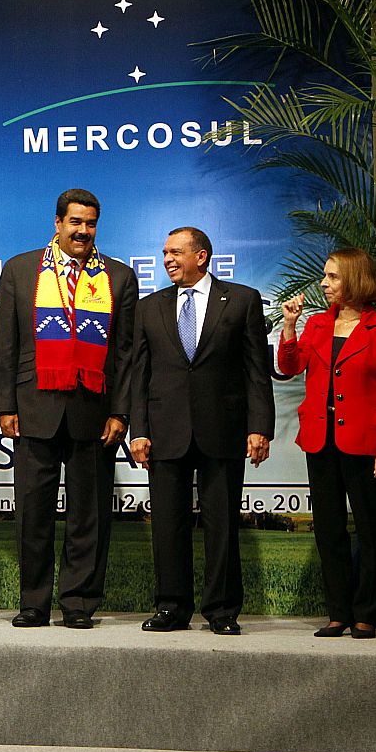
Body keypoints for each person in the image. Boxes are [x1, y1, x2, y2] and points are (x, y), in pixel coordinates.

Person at [0, 189, 138, 630]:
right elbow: (8, 342)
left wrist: (121, 412)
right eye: (75, 222)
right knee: (32, 514)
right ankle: (34, 603)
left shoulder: (118, 276)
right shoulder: (21, 269)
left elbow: (125, 354)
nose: (83, 231)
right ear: (57, 223)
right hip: (33, 406)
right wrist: (5, 405)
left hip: (93, 411)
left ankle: (78, 602)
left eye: (91, 223)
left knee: (88, 515)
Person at [129, 227, 273, 636]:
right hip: (164, 431)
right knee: (167, 525)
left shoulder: (242, 300)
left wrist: (259, 427)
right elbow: (139, 376)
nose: (168, 259)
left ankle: (222, 610)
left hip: (223, 430)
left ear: (202, 256)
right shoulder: (149, 307)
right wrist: (139, 430)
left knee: (222, 524)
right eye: (164, 253)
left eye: (176, 252)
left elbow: (255, 372)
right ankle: (171, 607)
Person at [278, 247, 376, 639]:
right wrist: (289, 327)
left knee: (371, 531)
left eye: (332, 277)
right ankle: (338, 613)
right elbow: (289, 368)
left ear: (354, 279)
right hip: (321, 441)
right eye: (325, 276)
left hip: (367, 446)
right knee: (328, 530)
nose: (324, 283)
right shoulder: (317, 325)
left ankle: (366, 613)